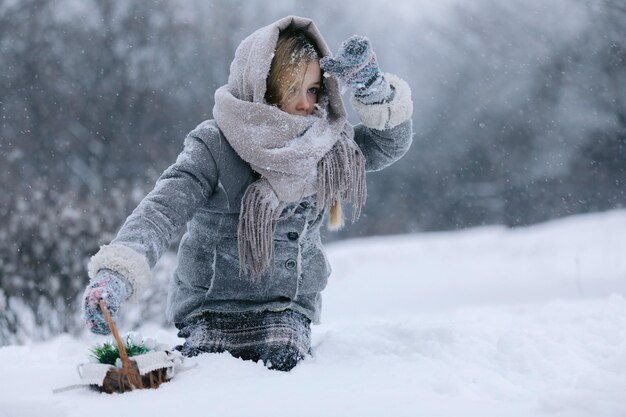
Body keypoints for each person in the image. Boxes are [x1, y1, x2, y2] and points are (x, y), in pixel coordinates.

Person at [82, 15, 413, 372]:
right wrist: (118, 272)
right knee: (210, 377)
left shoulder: (326, 144)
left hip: (288, 309)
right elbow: (162, 210)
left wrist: (372, 90)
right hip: (212, 308)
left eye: (314, 89)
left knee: (282, 366)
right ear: (262, 86)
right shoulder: (216, 144)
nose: (305, 104)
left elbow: (386, 144)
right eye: (291, 89)